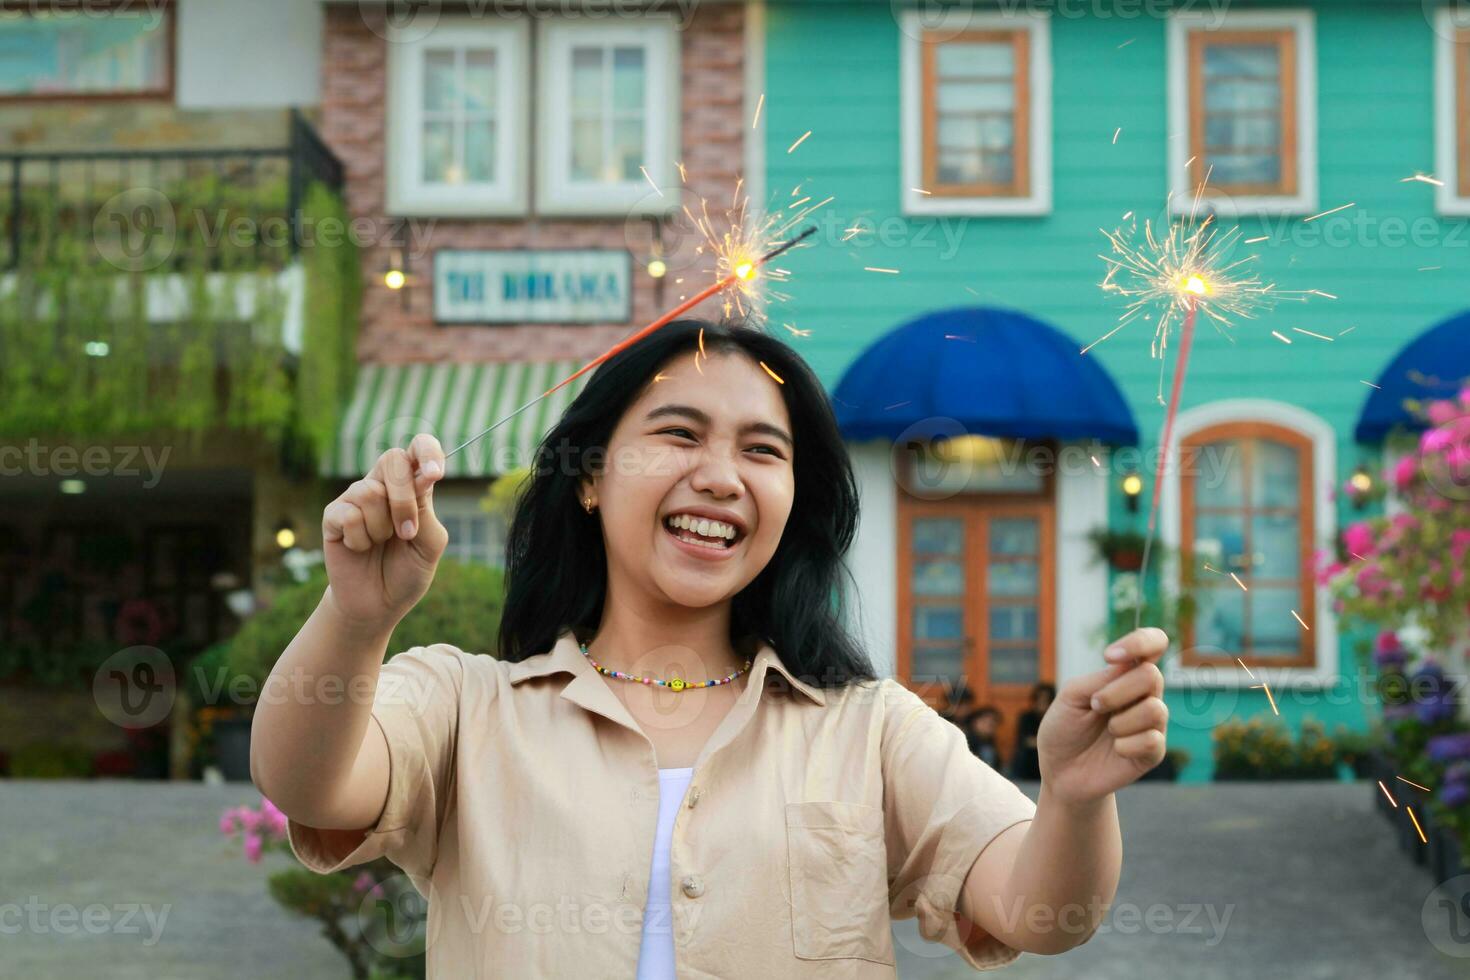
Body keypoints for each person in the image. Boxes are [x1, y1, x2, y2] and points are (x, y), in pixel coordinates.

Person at [250, 316, 1172, 977]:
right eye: (678, 434)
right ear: (587, 479)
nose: (721, 477)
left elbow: (1039, 914)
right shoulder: (466, 707)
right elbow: (306, 783)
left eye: (763, 452)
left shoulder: (871, 728)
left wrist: (1078, 800)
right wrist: (358, 616)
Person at [1011, 682, 1057, 780]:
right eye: (1039, 699)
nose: (1041, 703)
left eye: (1045, 700)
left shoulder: (1056, 718)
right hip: (1028, 760)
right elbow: (1026, 741)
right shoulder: (1026, 717)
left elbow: (1059, 742)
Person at [963, 705, 1005, 772]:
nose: (989, 724)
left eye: (993, 722)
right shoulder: (965, 740)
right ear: (975, 722)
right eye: (984, 721)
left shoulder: (990, 742)